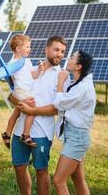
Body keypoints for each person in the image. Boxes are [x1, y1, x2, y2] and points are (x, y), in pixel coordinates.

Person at [18, 51, 96, 195]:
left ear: (78, 66)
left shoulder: (81, 88)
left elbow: (59, 103)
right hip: (76, 135)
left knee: (59, 180)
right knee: (77, 178)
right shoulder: (79, 83)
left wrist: (60, 82)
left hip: (77, 138)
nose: (68, 58)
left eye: (72, 57)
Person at [9, 36, 68, 195]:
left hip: (42, 132)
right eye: (56, 50)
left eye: (62, 52)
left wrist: (32, 111)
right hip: (20, 129)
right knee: (19, 167)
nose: (59, 54)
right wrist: (18, 102)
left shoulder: (62, 76)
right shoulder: (30, 69)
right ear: (46, 49)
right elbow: (12, 95)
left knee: (41, 171)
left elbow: (58, 108)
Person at [1, 34, 42, 149]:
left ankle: (7, 133)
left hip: (26, 90)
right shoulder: (12, 64)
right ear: (18, 48)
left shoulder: (27, 61)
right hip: (20, 91)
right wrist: (9, 77)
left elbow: (33, 76)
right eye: (27, 47)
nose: (30, 49)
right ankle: (26, 135)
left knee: (17, 112)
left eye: (30, 47)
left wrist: (39, 70)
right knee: (32, 108)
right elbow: (10, 79)